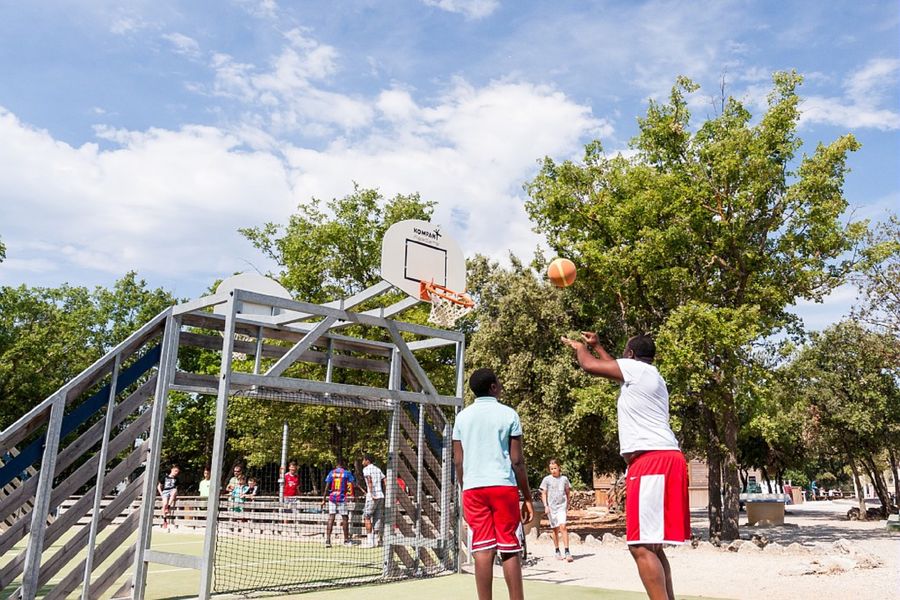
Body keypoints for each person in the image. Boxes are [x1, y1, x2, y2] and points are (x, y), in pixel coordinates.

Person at [562, 333, 689, 600]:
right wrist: (598, 347)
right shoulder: (649, 374)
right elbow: (615, 369)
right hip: (665, 458)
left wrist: (582, 349)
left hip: (652, 461)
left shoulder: (637, 370)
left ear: (630, 354)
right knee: (652, 546)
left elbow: (590, 366)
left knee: (641, 547)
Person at [452, 368, 533, 600]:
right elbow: (517, 461)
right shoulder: (509, 414)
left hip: (473, 488)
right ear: (493, 388)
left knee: (482, 548)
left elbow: (459, 461)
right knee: (509, 547)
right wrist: (526, 496)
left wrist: (464, 487)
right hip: (502, 486)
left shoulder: (462, 417)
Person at [540, 458, 573, 562]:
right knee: (555, 529)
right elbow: (543, 493)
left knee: (563, 526)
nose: (553, 470)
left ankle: (567, 551)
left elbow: (567, 491)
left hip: (561, 506)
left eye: (555, 468)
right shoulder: (547, 480)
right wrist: (546, 505)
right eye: (551, 469)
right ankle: (557, 550)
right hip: (551, 507)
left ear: (559, 467)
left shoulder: (564, 479)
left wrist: (568, 503)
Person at [321, 460, 356, 547]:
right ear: (343, 465)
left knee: (331, 518)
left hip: (332, 498)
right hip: (341, 498)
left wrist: (324, 499)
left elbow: (326, 487)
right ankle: (346, 540)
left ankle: (328, 540)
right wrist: (362, 491)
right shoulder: (346, 473)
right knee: (345, 518)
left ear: (336, 465)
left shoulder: (331, 473)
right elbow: (353, 484)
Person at [362, 454, 385, 547]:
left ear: (367, 461)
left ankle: (370, 541)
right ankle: (376, 540)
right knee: (377, 517)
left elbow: (369, 480)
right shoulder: (378, 469)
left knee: (366, 517)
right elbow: (385, 479)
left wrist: (371, 494)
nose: (362, 461)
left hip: (372, 497)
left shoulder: (366, 469)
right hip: (381, 496)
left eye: (363, 460)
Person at [157, 464, 180, 529]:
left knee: (174, 490)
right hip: (165, 491)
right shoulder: (165, 477)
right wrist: (161, 493)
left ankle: (168, 506)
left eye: (177, 472)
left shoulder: (176, 479)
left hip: (172, 490)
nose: (176, 473)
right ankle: (165, 520)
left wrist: (175, 493)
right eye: (175, 471)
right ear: (172, 470)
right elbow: (159, 486)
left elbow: (176, 488)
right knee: (164, 504)